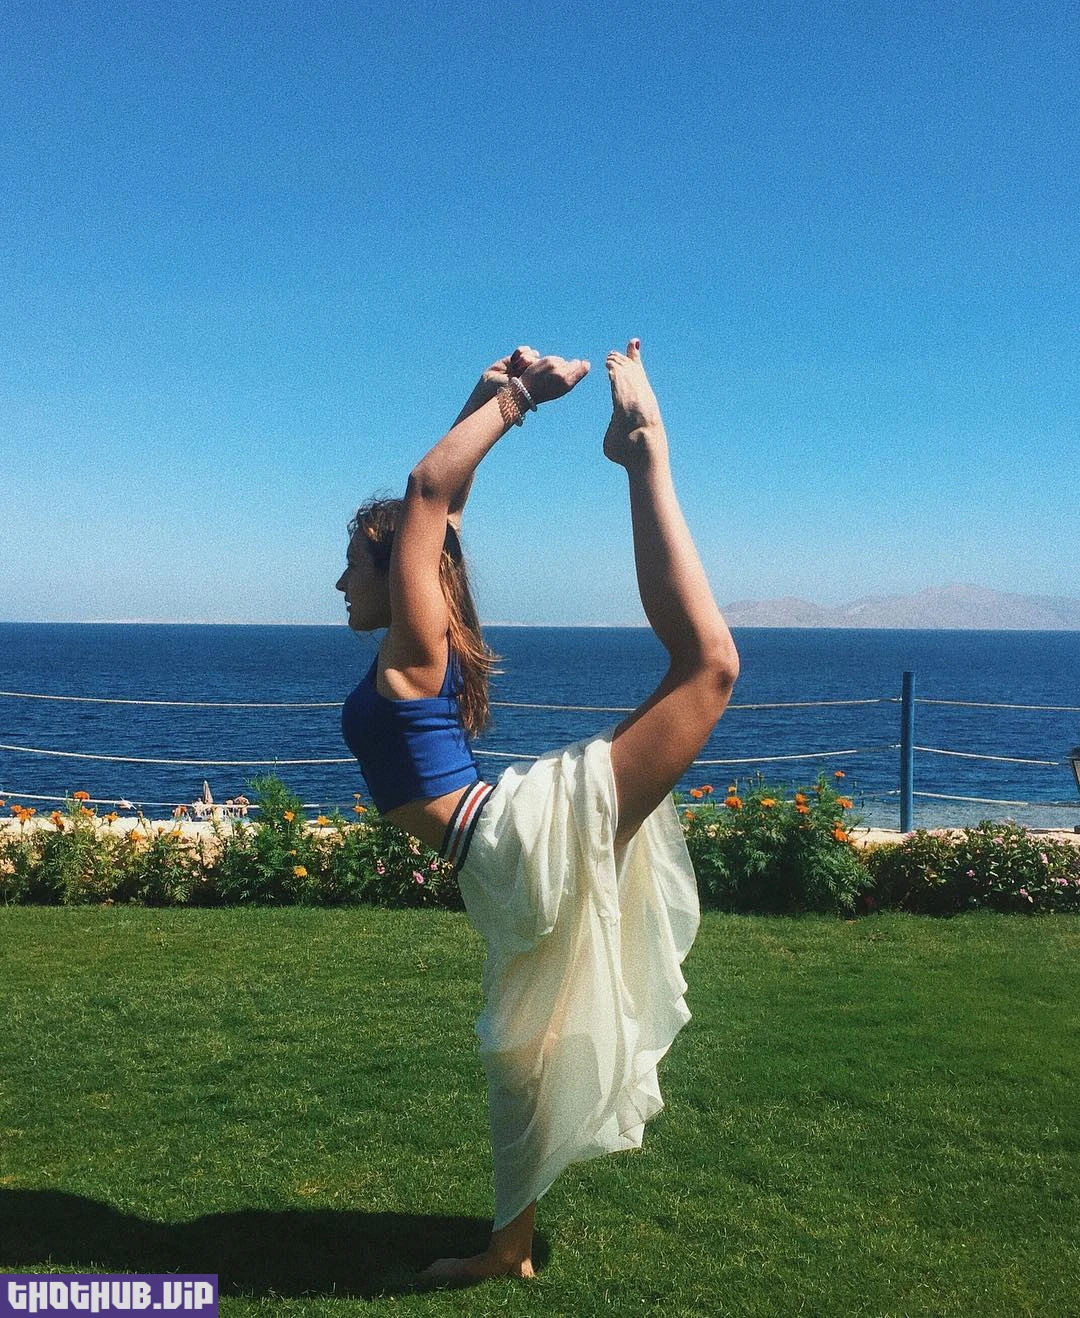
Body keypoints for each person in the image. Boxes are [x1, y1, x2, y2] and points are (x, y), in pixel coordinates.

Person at [337, 340, 739, 1282]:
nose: (341, 583)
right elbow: (441, 508)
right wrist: (483, 391)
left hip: (515, 838)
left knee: (709, 667)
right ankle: (506, 1250)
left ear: (393, 572)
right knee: (520, 1052)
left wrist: (518, 398)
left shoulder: (415, 643)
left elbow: (429, 493)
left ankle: (644, 454)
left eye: (353, 565)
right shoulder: (420, 630)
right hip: (497, 860)